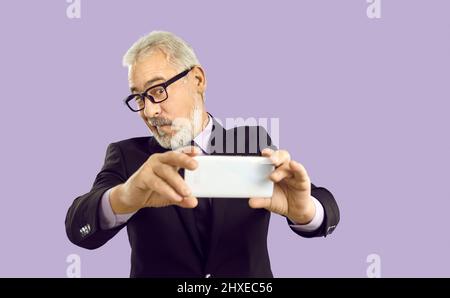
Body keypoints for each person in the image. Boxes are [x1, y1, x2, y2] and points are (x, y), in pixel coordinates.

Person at [65, 31, 340, 278]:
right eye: (139, 98)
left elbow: (325, 206)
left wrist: (305, 211)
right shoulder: (127, 155)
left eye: (158, 90)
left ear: (197, 79)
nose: (149, 112)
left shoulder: (251, 142)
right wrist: (124, 197)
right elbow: (78, 227)